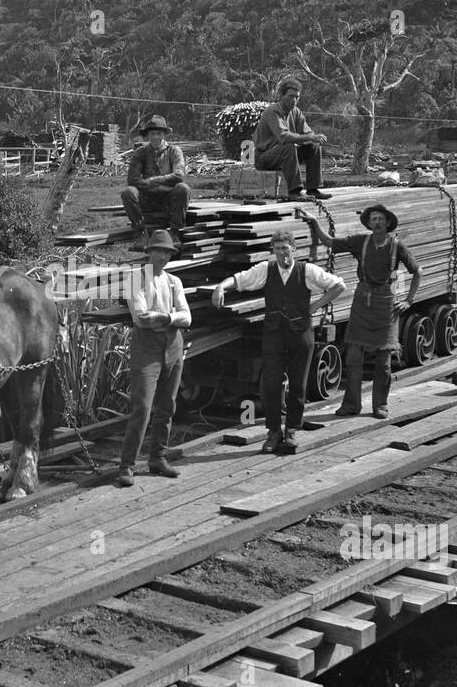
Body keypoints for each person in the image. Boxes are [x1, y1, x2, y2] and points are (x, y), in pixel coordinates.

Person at [211, 227, 345, 452]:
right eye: (278, 249)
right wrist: (220, 287)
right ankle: (273, 432)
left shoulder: (308, 270)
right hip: (274, 333)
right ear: (272, 250)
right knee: (271, 385)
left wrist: (315, 306)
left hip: (301, 334)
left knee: (299, 385)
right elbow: (241, 279)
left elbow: (339, 285)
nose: (282, 253)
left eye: (285, 248)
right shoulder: (266, 269)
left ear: (293, 249)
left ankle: (291, 430)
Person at [298, 203, 422, 419]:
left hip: (385, 304)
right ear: (369, 223)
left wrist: (409, 301)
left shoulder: (397, 246)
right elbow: (330, 242)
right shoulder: (359, 242)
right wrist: (315, 222)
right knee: (354, 358)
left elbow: (418, 272)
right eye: (373, 219)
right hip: (362, 302)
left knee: (383, 363)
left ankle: (380, 405)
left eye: (381, 219)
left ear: (388, 223)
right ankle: (351, 405)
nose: (377, 222)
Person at [115, 229, 192, 487]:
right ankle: (126, 466)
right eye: (159, 251)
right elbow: (141, 319)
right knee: (143, 407)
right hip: (147, 348)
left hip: (173, 346)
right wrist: (170, 317)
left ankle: (158, 458)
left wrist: (165, 318)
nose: (163, 256)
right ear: (149, 252)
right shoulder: (136, 279)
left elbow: (187, 317)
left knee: (167, 405)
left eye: (168, 252)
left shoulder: (174, 281)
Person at [252, 77, 333, 199]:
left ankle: (313, 189)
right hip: (264, 158)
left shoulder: (296, 112)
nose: (294, 100)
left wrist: (314, 138)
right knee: (288, 146)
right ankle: (294, 191)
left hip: (284, 156)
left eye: (297, 97)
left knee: (314, 146)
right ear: (281, 95)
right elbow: (283, 137)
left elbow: (308, 133)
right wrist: (310, 137)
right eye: (290, 96)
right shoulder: (272, 111)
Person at [121, 115, 191, 251]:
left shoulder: (174, 151)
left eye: (158, 133)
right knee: (128, 192)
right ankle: (141, 233)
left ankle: (174, 232)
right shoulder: (140, 152)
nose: (155, 137)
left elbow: (179, 175)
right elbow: (132, 179)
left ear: (164, 134)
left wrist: (154, 180)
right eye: (152, 134)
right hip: (147, 199)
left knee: (183, 188)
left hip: (168, 199)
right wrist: (153, 185)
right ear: (147, 135)